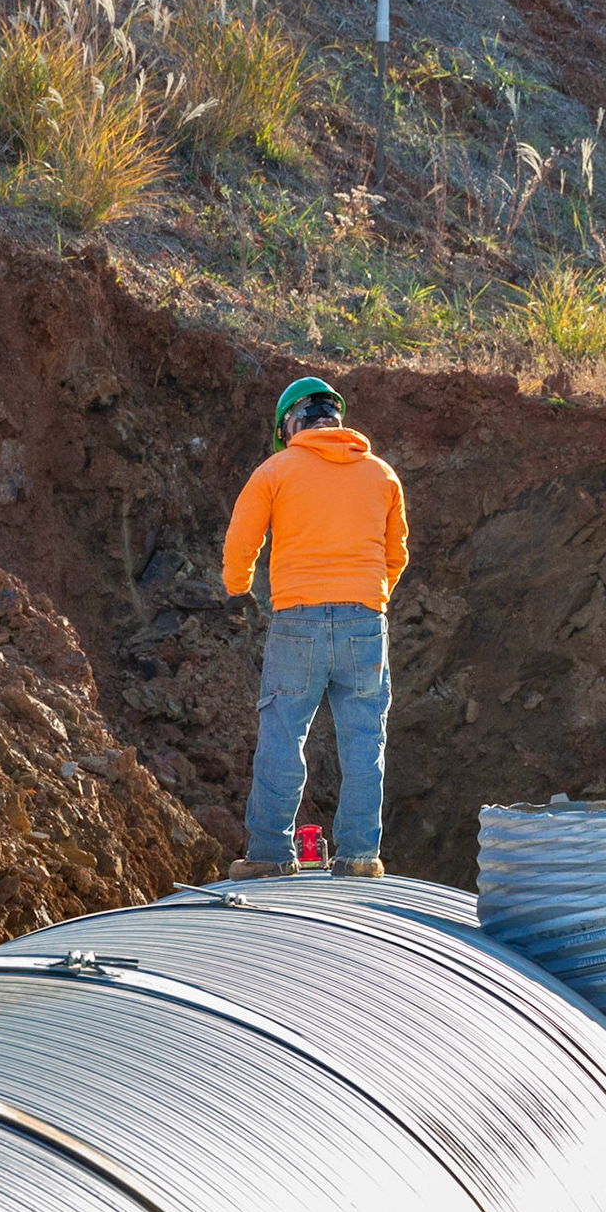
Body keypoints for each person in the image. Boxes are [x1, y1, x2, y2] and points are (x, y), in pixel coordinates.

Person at [222, 377, 408, 880]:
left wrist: (238, 584)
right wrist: (370, 595)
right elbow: (396, 555)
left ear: (290, 425)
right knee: (365, 741)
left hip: (297, 621)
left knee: (283, 736)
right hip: (365, 622)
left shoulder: (276, 470)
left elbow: (242, 540)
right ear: (336, 419)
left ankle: (268, 854)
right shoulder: (382, 475)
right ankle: (359, 858)